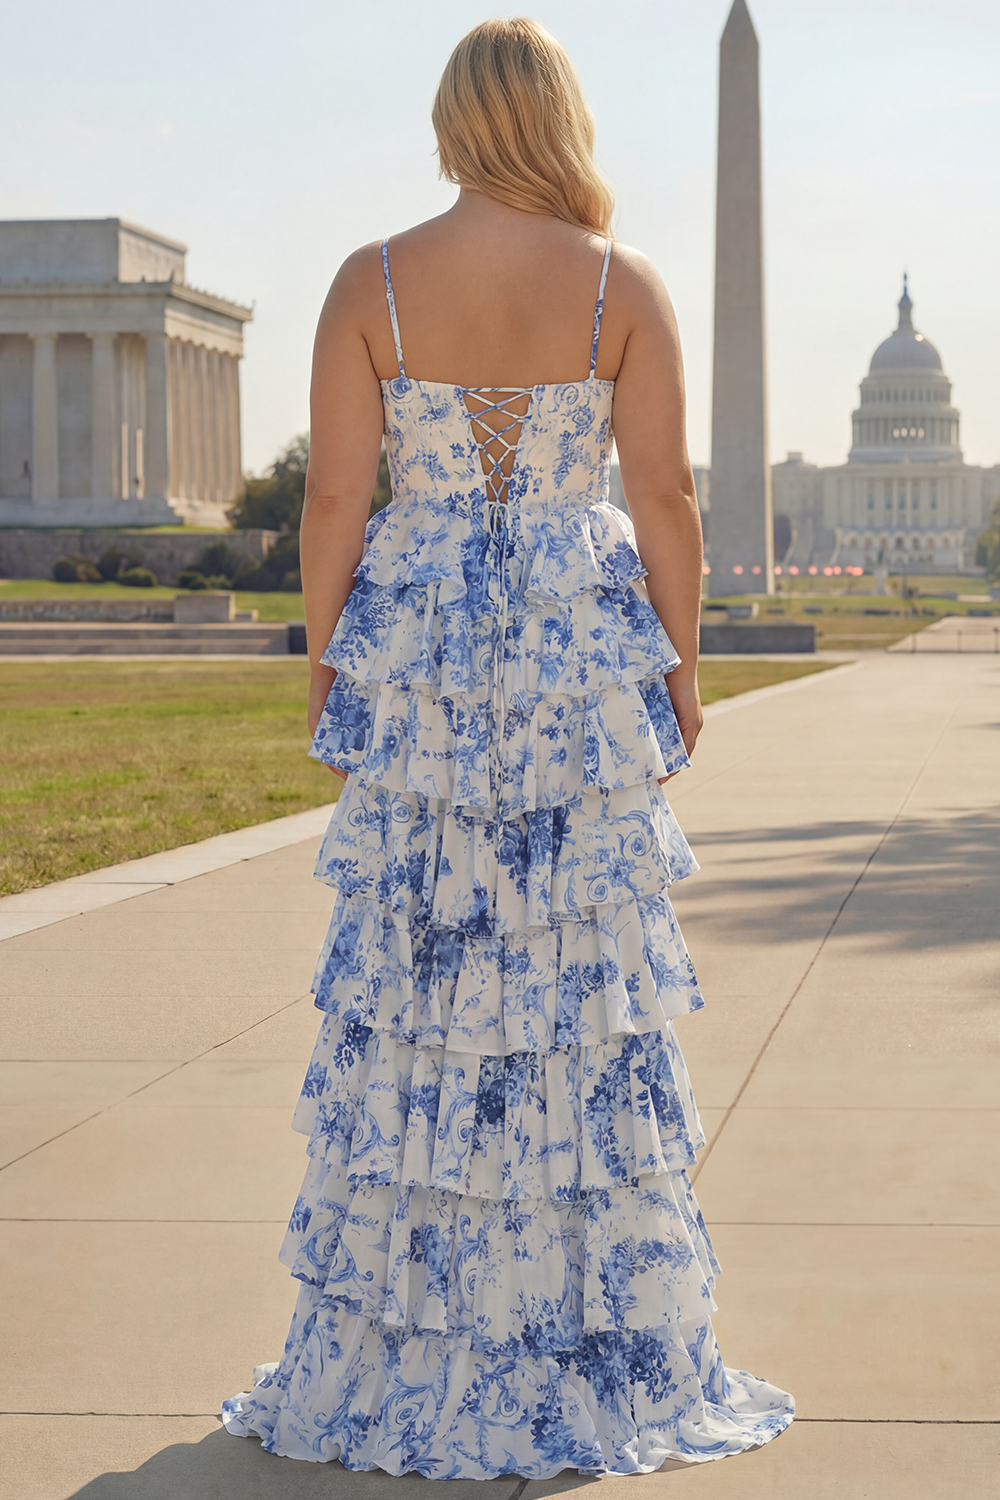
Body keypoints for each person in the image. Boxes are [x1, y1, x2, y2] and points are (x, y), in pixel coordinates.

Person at [223, 16, 793, 1477]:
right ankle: (579, 1332)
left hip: (421, 682)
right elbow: (665, 499)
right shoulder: (621, 286)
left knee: (419, 1002)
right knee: (576, 999)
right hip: (571, 677)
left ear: (452, 119)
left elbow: (335, 509)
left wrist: (330, 673)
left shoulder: (373, 283)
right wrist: (681, 668)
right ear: (559, 119)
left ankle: (411, 1340)